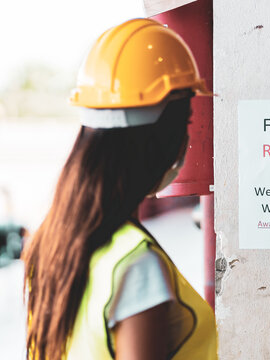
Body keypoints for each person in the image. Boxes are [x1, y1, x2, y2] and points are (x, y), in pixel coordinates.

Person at [22, 18, 217, 360]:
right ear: (157, 138)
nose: (187, 140)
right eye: (184, 124)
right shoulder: (134, 267)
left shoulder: (50, 242)